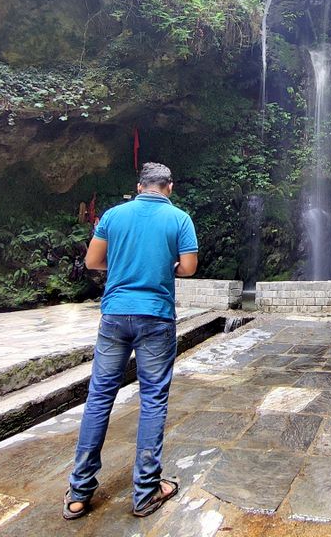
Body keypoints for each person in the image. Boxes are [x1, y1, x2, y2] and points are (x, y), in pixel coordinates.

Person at [63, 162, 198, 520]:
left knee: (99, 398)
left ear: (139, 186)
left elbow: (93, 261)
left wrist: (123, 266)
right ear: (168, 187)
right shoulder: (179, 219)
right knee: (153, 399)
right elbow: (188, 267)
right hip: (155, 316)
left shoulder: (113, 215)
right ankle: (145, 492)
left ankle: (79, 493)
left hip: (115, 316)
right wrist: (160, 267)